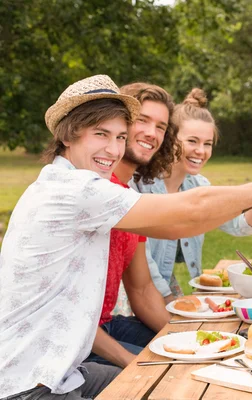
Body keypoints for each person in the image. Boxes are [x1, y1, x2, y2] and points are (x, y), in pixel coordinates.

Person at [0, 75, 252, 399]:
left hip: (63, 370)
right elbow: (185, 215)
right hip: (28, 382)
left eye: (120, 136)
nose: (113, 149)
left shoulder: (72, 182)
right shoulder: (76, 189)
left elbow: (184, 224)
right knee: (171, 385)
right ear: (68, 136)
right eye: (100, 134)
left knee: (173, 381)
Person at [133, 88, 252, 298]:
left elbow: (240, 226)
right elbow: (143, 267)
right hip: (139, 299)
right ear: (169, 139)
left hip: (165, 290)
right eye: (192, 141)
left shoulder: (199, 185)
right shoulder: (139, 184)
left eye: (208, 144)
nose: (201, 151)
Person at [85, 82, 180, 367]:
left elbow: (141, 290)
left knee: (190, 355)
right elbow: (184, 218)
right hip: (74, 339)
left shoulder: (128, 196)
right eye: (143, 120)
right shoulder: (96, 189)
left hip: (106, 324)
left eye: (161, 126)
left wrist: (190, 336)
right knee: (165, 372)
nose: (152, 133)